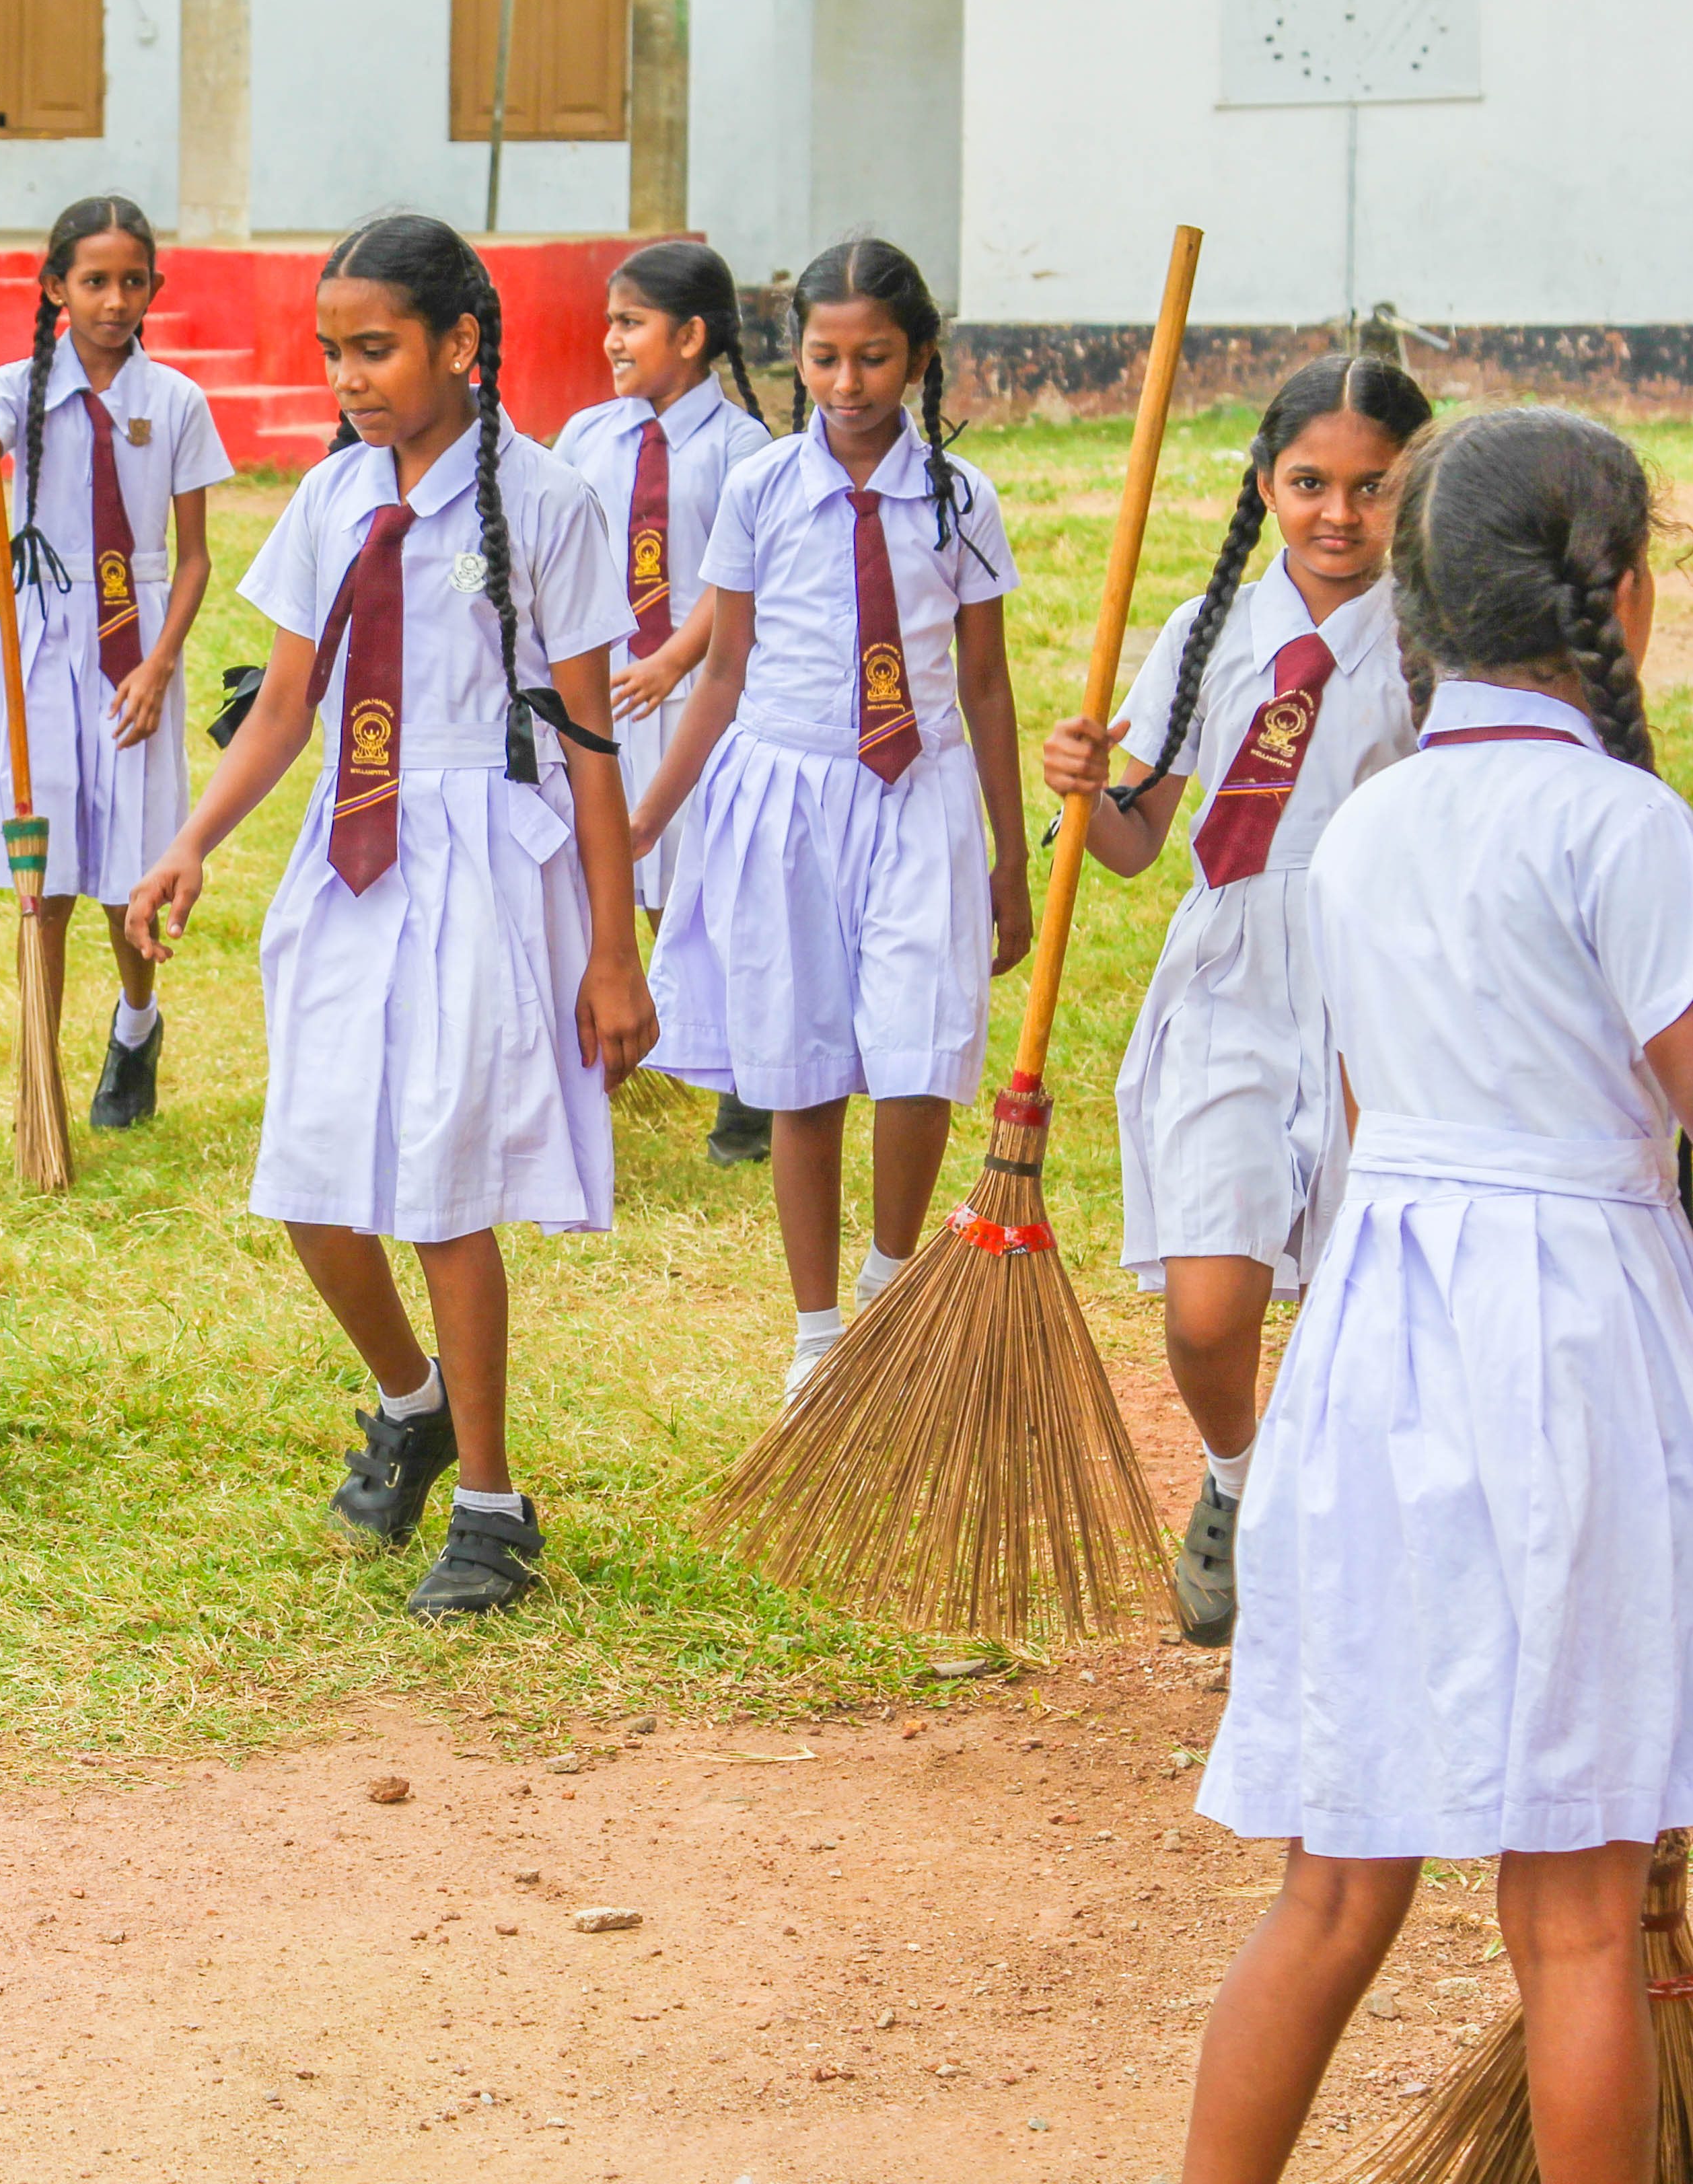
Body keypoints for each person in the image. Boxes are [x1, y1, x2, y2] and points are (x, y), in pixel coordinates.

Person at [1185, 406, 1693, 2184]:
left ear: (1419, 606)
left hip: (1376, 1352)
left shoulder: (1368, 829)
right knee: (1577, 1914)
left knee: (1331, 1892)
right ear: (1622, 599)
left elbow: (1365, 1113)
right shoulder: (1630, 829)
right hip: (1571, 1350)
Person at [126, 215, 652, 1619]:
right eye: (332, 353)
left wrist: (615, 951)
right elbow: (285, 707)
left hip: (483, 859)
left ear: (459, 344)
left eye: (375, 349)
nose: (348, 378)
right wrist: (189, 843)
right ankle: (409, 1402)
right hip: (348, 853)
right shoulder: (330, 498)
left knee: (443, 1185)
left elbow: (593, 742)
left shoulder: (548, 503)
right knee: (310, 1175)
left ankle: (491, 1508)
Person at [1035, 354, 1433, 1646]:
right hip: (1231, 978)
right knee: (1212, 1310)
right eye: (1310, 483)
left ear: (1416, 488)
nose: (1339, 513)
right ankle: (1235, 1477)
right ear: (1265, 484)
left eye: (1373, 487)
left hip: (1379, 972)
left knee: (1368, 1291)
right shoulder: (1207, 635)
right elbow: (1137, 840)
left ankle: (1356, 1522)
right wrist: (1082, 791)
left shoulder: (1434, 645)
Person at [631, 237, 1034, 1400]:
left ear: (921, 358)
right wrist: (649, 820)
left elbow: (988, 682)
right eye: (824, 359)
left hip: (919, 794)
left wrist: (1010, 859)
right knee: (798, 1067)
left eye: (875, 359)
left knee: (919, 1052)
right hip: (786, 798)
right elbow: (722, 672)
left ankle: (889, 1279)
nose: (848, 385)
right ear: (795, 355)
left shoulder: (960, 499)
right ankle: (815, 1331)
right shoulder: (760, 489)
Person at [0, 194, 231, 1126]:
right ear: (55, 287)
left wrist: (160, 665)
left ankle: (136, 1028)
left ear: (154, 288)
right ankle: (43, 1078)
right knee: (50, 874)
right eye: (94, 281)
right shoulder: (14, 388)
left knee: (131, 860)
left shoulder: (175, 402)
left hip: (136, 645)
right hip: (40, 640)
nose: (113, 301)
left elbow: (193, 557)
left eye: (132, 282)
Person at [550, 238, 775, 1163]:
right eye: (609, 322)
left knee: (702, 882)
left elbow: (737, 578)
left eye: (630, 323)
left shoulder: (740, 448)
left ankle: (745, 1084)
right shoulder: (586, 437)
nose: (611, 340)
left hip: (698, 699)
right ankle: (639, 1039)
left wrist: (674, 660)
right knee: (621, 870)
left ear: (689, 336)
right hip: (603, 695)